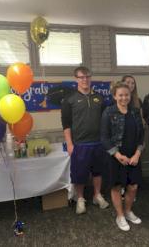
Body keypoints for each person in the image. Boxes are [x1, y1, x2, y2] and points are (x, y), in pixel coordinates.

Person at [61, 66, 109, 214]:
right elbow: (66, 124)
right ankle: (80, 199)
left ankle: (97, 195)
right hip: (80, 144)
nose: (85, 80)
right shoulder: (69, 100)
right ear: (76, 79)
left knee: (98, 172)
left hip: (98, 143)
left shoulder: (100, 98)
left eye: (87, 76)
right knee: (79, 174)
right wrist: (69, 144)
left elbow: (105, 121)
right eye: (82, 77)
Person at [101, 82, 144, 231]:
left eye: (126, 94)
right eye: (120, 95)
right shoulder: (109, 112)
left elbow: (141, 136)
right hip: (116, 157)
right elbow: (104, 138)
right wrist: (118, 155)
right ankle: (120, 215)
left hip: (134, 157)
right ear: (114, 96)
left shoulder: (135, 112)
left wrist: (138, 154)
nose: (124, 97)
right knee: (117, 187)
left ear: (130, 95)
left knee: (132, 187)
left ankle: (128, 211)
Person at [120, 75, 142, 200]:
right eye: (127, 82)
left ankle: (131, 190)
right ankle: (122, 189)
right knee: (122, 167)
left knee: (133, 167)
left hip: (135, 140)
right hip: (121, 142)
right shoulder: (116, 101)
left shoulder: (138, 100)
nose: (130, 85)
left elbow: (141, 120)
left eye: (132, 83)